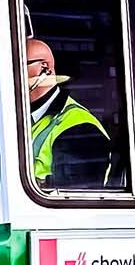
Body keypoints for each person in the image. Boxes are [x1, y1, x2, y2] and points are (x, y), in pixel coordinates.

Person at [23, 38, 114, 189]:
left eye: (18, 65)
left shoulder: (79, 128)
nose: (11, 73)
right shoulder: (24, 116)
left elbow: (71, 196)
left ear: (44, 68)